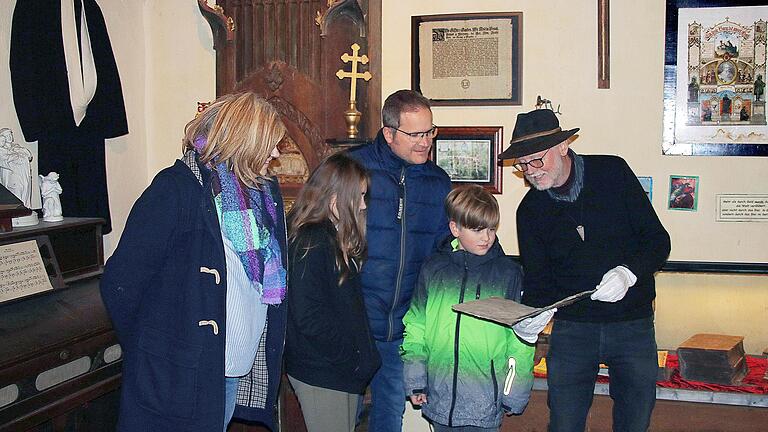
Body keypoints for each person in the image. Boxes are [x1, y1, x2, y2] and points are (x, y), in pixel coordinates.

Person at [100, 92, 288, 432]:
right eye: (270, 145)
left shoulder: (261, 194)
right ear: (242, 141)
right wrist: (155, 350)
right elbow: (121, 281)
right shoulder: (176, 189)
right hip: (184, 375)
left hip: (229, 369)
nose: (275, 155)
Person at [498, 109, 670, 432]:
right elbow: (539, 283)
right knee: (563, 421)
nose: (531, 173)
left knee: (636, 417)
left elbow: (658, 242)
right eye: (522, 166)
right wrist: (532, 316)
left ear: (563, 146)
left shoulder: (612, 173)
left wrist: (627, 273)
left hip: (631, 324)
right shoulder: (530, 211)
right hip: (573, 329)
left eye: (537, 160)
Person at [402, 185, 553, 432]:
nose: (486, 237)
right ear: (455, 229)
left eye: (492, 229)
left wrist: (513, 392)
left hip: (485, 402)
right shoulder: (433, 269)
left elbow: (520, 338)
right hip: (440, 400)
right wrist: (416, 378)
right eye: (477, 229)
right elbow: (416, 325)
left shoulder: (508, 274)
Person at [347, 89, 452, 431]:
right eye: (416, 134)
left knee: (389, 417)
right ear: (389, 133)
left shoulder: (438, 182)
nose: (426, 142)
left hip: (402, 329)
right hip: (353, 324)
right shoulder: (351, 169)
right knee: (340, 419)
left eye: (430, 132)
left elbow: (442, 252)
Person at [285, 152, 381, 432]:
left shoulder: (331, 236)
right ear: (334, 198)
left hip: (337, 369)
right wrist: (350, 357)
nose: (363, 205)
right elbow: (309, 316)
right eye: (359, 196)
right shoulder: (312, 240)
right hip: (323, 370)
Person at [0, 128, 33, 208]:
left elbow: (29, 155)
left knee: (25, 190)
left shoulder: (16, 147)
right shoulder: (1, 150)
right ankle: (18, 212)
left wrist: (17, 153)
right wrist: (16, 156)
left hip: (23, 174)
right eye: (7, 135)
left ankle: (25, 209)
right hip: (13, 175)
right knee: (17, 190)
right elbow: (4, 161)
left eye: (10, 134)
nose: (10, 137)